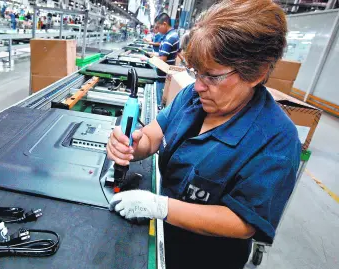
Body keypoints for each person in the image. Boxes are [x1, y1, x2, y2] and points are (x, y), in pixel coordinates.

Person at [107, 1, 301, 269]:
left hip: (204, 258)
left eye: (211, 76)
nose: (198, 85)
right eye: (196, 72)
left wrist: (161, 207)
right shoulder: (193, 98)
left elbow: (243, 223)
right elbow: (152, 136)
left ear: (257, 72)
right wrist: (131, 145)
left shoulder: (276, 140)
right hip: (162, 236)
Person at [149, 13, 179, 109]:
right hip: (165, 75)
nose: (157, 29)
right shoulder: (173, 35)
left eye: (158, 26)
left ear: (165, 24)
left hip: (163, 77)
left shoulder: (169, 38)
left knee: (160, 104)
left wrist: (150, 59)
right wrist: (156, 55)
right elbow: (165, 55)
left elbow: (162, 60)